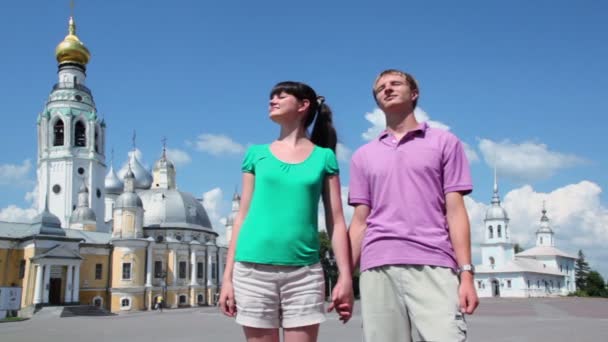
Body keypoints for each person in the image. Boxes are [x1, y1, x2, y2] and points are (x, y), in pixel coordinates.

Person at [348, 69, 479, 342]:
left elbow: (455, 212)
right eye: (380, 87)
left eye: (395, 83)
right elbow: (360, 221)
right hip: (377, 266)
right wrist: (344, 277)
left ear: (414, 94)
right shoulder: (363, 156)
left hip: (434, 262)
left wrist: (466, 273)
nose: (387, 89)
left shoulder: (444, 142)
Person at [219, 81, 354, 342]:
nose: (273, 99)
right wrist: (228, 278)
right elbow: (241, 217)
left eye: (282, 95)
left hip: (303, 274)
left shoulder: (324, 157)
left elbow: (336, 221)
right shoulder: (255, 155)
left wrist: (345, 277)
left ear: (304, 106)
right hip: (251, 271)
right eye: (271, 95)